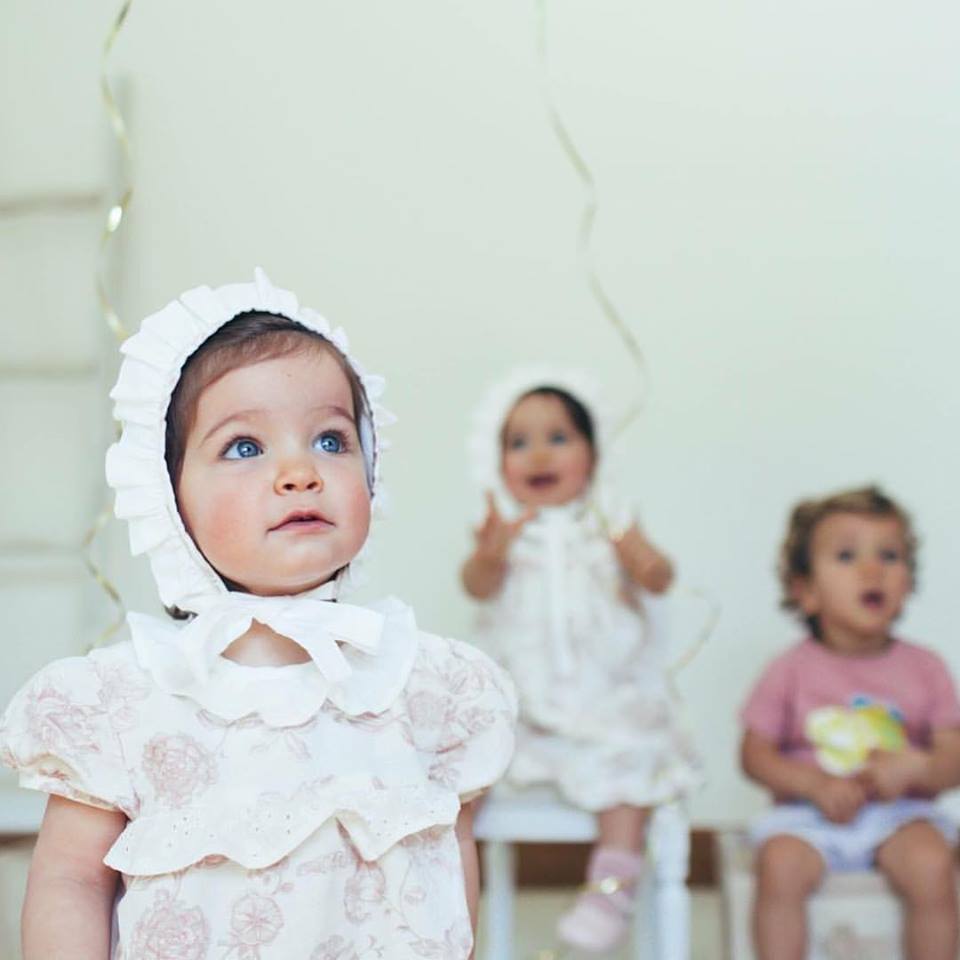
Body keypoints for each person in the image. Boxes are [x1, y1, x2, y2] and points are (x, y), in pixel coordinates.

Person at [0, 270, 516, 960]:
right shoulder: (126, 703)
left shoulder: (425, 688)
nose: (300, 471)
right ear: (168, 498)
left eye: (331, 440)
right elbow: (70, 881)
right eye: (245, 447)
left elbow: (448, 864)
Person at [461, 368, 701, 953]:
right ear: (498, 462)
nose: (538, 453)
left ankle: (610, 886)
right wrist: (490, 554)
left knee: (631, 771)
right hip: (528, 712)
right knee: (466, 765)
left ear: (594, 454)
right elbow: (477, 586)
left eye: (559, 438)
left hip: (604, 707)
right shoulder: (509, 538)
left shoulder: (611, 528)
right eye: (519, 442)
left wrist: (634, 552)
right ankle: (445, 883)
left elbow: (661, 578)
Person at [741, 485, 960, 960]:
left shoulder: (926, 668)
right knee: (778, 865)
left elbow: (952, 757)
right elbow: (754, 754)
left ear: (908, 583)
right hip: (808, 817)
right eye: (846, 555)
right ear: (806, 592)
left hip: (899, 815)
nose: (872, 568)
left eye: (890, 555)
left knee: (932, 863)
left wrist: (917, 769)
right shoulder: (791, 669)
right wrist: (811, 783)